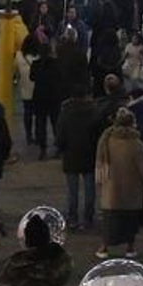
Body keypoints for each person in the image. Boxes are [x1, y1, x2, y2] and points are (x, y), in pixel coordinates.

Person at [94, 106, 143, 259]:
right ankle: (130, 248)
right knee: (130, 222)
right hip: (131, 191)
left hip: (111, 190)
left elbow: (101, 164)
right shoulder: (136, 144)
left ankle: (103, 248)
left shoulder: (106, 140)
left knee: (109, 221)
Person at [56, 84, 100, 231]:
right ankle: (88, 218)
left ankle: (72, 218)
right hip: (90, 155)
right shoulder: (94, 111)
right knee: (90, 190)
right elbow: (98, 133)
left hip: (71, 155)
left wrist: (61, 149)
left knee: (72, 190)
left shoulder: (66, 112)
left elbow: (60, 135)